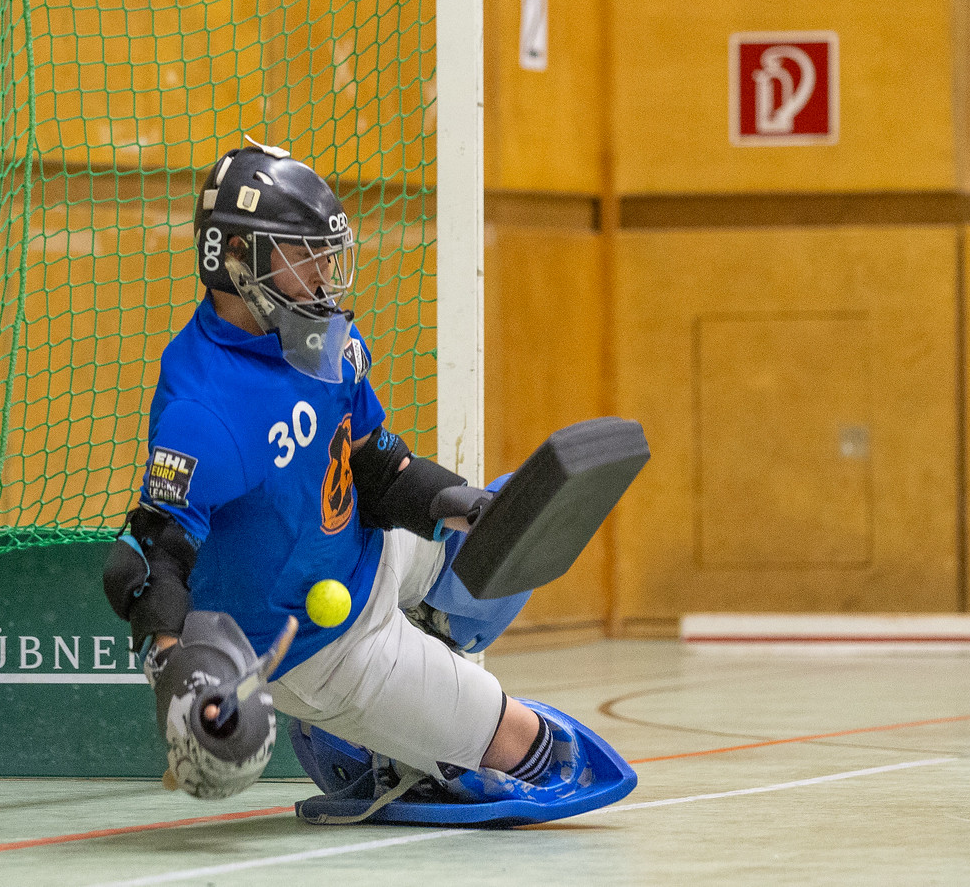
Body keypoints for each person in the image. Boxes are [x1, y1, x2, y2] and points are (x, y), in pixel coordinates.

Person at [101, 140, 635, 826]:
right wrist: (178, 671)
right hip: (321, 648)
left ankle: (420, 660)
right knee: (537, 756)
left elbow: (377, 466)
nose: (325, 273)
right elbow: (146, 559)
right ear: (237, 257)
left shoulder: (319, 338)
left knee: (510, 538)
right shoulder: (202, 411)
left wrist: (466, 507)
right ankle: (382, 739)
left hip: (367, 548)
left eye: (328, 253)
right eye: (305, 255)